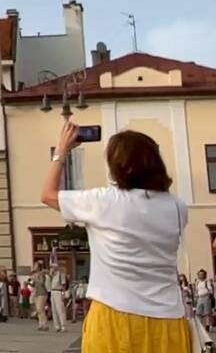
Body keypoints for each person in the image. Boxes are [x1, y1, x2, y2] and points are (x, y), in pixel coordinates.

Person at [41, 121, 189, 352]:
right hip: (168, 318)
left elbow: (48, 194)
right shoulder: (178, 206)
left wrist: (61, 151)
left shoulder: (104, 201)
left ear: (118, 167)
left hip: (115, 315)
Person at [48, 263, 68, 332]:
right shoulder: (52, 275)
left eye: (52, 267)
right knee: (54, 310)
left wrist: (63, 293)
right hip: (52, 292)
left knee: (60, 309)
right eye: (51, 267)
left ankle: (63, 326)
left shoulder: (61, 274)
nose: (51, 268)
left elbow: (63, 284)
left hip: (58, 291)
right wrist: (51, 274)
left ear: (56, 267)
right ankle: (57, 326)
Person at [30, 262, 49, 331]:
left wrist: (36, 278)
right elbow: (33, 285)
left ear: (39, 267)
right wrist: (30, 282)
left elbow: (41, 283)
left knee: (39, 308)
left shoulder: (41, 273)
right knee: (40, 310)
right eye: (34, 265)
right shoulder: (33, 274)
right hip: (36, 293)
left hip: (42, 292)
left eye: (35, 265)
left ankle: (44, 324)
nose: (34, 267)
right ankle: (41, 324)